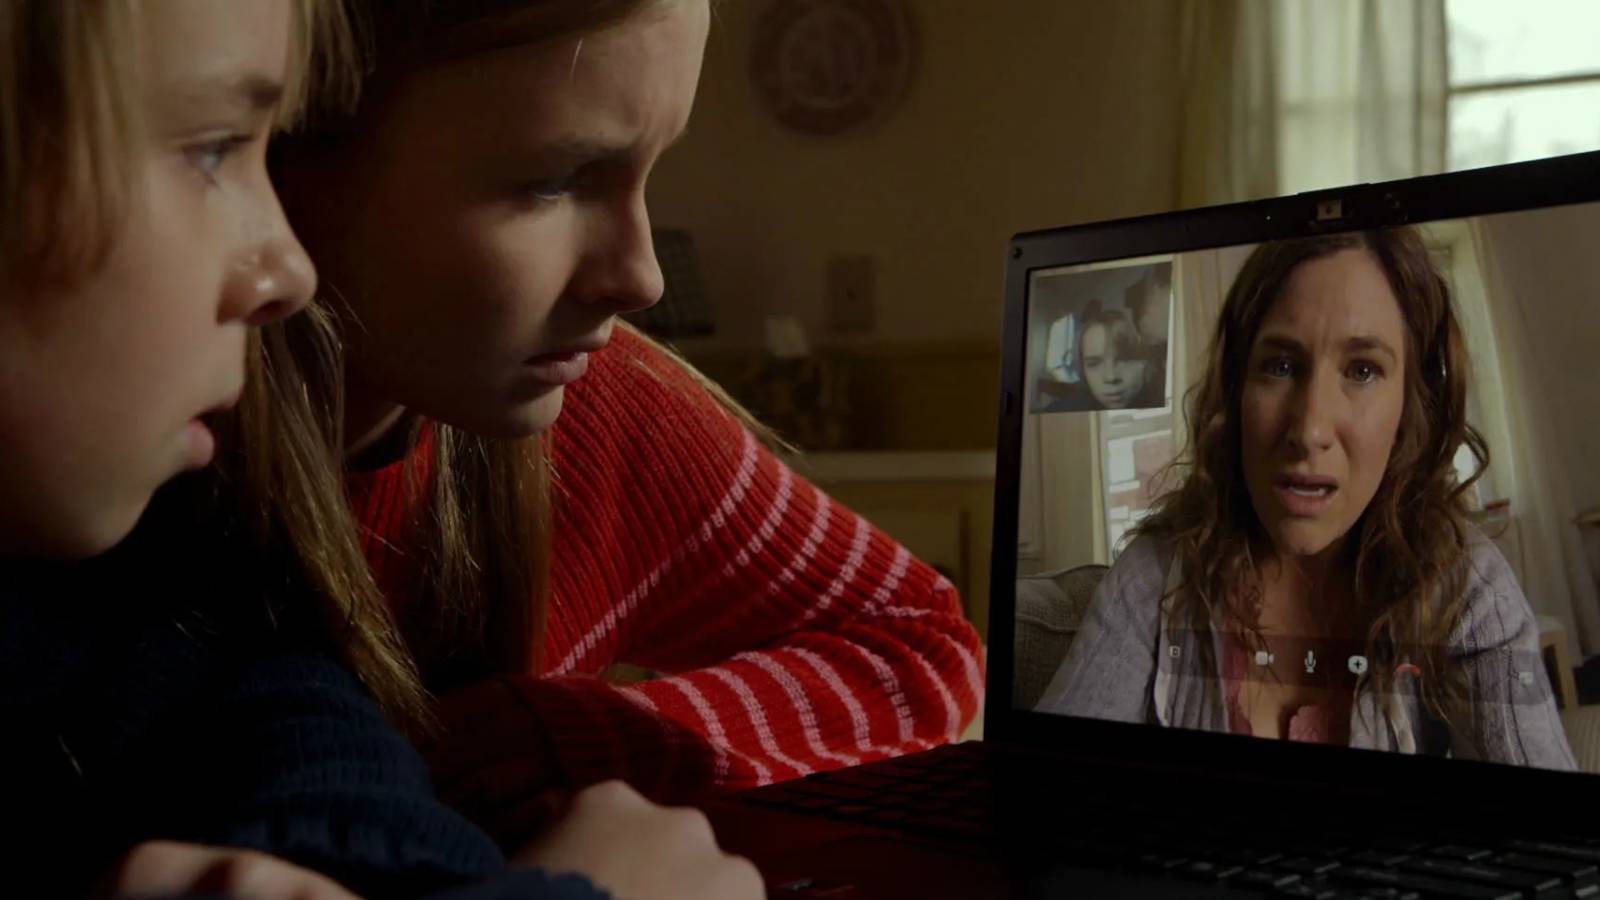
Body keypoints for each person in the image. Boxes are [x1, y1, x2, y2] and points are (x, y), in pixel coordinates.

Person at [0, 2, 758, 898]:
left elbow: (297, 742)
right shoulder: (170, 520)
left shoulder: (148, 608)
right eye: (213, 149)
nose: (288, 266)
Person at [270, 0, 985, 845]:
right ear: (284, 162)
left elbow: (920, 643)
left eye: (652, 169)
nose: (640, 277)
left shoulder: (600, 404)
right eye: (552, 179)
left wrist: (596, 739)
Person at [1036, 227, 1576, 769]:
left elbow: (1545, 835)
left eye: (1363, 370)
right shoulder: (1153, 578)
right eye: (1281, 365)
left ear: (1411, 407)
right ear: (1235, 389)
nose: (1309, 429)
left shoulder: (1468, 589)